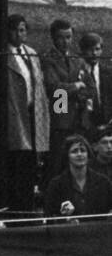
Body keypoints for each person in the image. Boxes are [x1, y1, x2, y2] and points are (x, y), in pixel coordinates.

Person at [2, 13, 47, 211]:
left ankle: (29, 204)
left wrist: (57, 111)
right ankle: (18, 207)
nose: (19, 34)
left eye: (22, 30)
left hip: (35, 112)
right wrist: (64, 100)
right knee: (19, 160)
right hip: (16, 113)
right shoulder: (4, 54)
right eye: (15, 30)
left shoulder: (32, 53)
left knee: (33, 162)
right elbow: (58, 87)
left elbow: (47, 88)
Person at [41, 18, 85, 177]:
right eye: (61, 37)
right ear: (53, 37)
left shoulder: (77, 59)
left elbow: (87, 86)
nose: (65, 42)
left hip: (77, 118)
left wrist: (77, 89)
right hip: (59, 119)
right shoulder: (48, 59)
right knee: (57, 162)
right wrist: (76, 86)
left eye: (69, 37)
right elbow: (54, 89)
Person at [43, 134, 112, 219]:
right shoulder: (56, 185)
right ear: (67, 156)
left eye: (83, 150)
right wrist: (62, 215)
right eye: (74, 151)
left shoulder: (103, 182)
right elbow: (49, 216)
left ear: (88, 154)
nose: (79, 154)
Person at [77, 32, 109, 134]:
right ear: (82, 51)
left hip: (106, 120)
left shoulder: (108, 72)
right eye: (90, 50)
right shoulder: (76, 70)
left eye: (97, 49)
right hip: (84, 120)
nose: (94, 53)